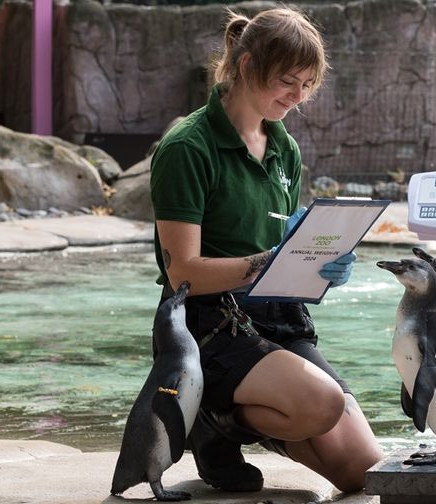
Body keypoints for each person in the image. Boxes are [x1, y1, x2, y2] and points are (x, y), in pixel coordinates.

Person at [149, 6, 383, 494]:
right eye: (288, 82)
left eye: (307, 86)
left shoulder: (284, 147)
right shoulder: (187, 148)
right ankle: (210, 424)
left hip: (277, 316)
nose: (298, 98)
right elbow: (182, 274)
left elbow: (283, 243)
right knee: (323, 404)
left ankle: (240, 420)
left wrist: (322, 263)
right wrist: (270, 262)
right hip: (209, 324)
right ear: (248, 63)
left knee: (363, 470)